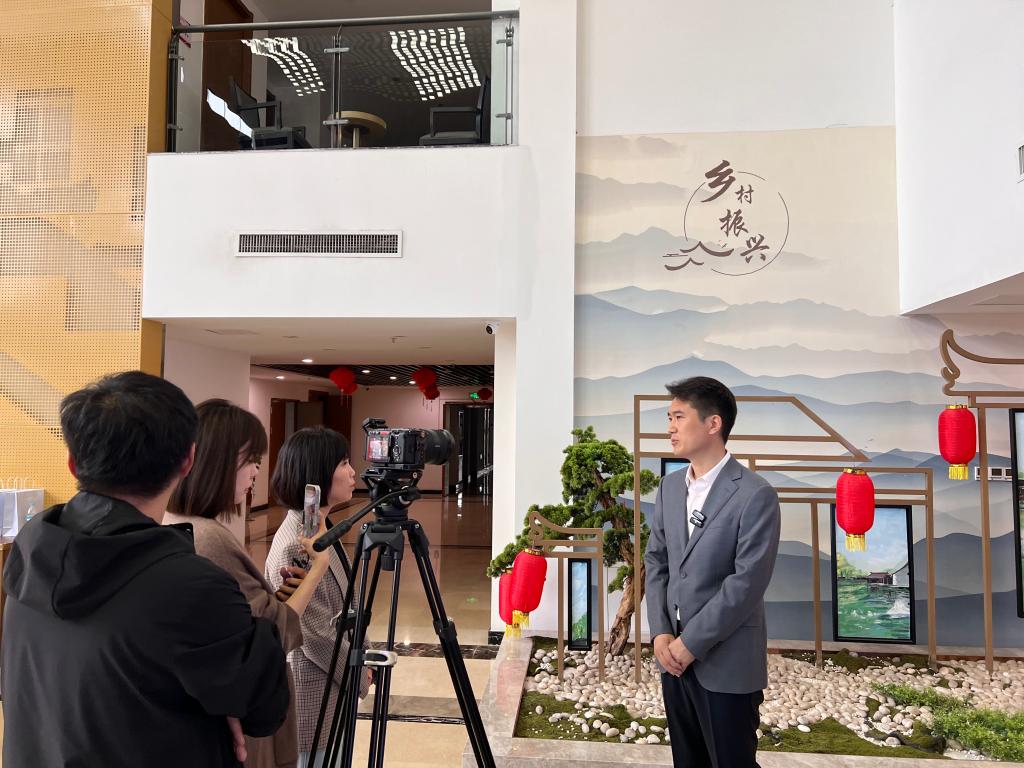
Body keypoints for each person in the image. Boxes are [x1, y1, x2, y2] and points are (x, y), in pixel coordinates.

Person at [1, 372, 289, 768]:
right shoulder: (191, 585)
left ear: (72, 463)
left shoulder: (31, 548)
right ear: (188, 460)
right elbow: (264, 706)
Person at [165, 399, 333, 768]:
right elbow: (270, 634)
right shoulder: (209, 538)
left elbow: (238, 619)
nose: (257, 470)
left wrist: (275, 596)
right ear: (216, 461)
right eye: (249, 460)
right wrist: (318, 567)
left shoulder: (175, 522)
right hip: (245, 723)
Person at [644, 376, 781, 768]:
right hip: (672, 660)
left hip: (726, 664)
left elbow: (746, 584)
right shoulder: (670, 487)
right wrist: (661, 633)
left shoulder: (755, 494)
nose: (670, 427)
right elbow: (656, 562)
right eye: (669, 418)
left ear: (713, 424)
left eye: (678, 417)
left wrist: (690, 644)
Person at [265, 427, 372, 768]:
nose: (353, 472)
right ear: (317, 473)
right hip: (314, 692)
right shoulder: (296, 546)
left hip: (332, 685)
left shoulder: (316, 527)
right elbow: (312, 633)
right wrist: (358, 672)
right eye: (343, 463)